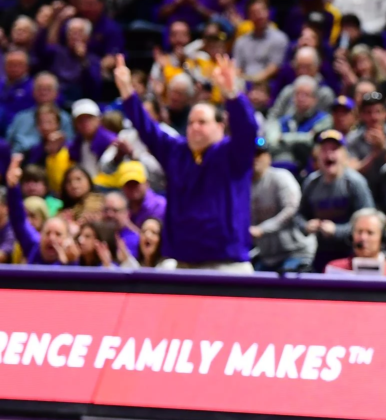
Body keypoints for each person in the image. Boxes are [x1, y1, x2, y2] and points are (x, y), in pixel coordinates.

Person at [114, 54, 258, 273]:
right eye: (191, 123)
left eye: (202, 122)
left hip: (227, 264)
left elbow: (247, 129)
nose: (194, 127)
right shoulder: (176, 151)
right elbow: (148, 130)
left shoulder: (232, 153)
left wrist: (232, 94)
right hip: (183, 262)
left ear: (220, 127)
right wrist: (127, 92)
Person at [300, 129, 376, 271]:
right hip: (321, 252)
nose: (329, 154)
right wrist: (306, 225)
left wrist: (337, 231)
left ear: (344, 155)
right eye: (324, 150)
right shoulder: (311, 183)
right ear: (317, 156)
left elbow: (369, 222)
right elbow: (298, 216)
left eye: (334, 149)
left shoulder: (355, 183)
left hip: (351, 253)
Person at [251, 142, 315, 272]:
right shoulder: (243, 186)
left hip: (296, 252)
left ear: (268, 157)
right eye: (250, 154)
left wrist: (262, 229)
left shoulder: (281, 177)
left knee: (289, 288)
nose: (255, 158)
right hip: (267, 257)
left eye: (259, 154)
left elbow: (292, 209)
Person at [324, 208, 386, 276]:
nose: (363, 238)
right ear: (351, 236)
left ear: (382, 238)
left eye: (370, 233)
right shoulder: (334, 269)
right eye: (359, 232)